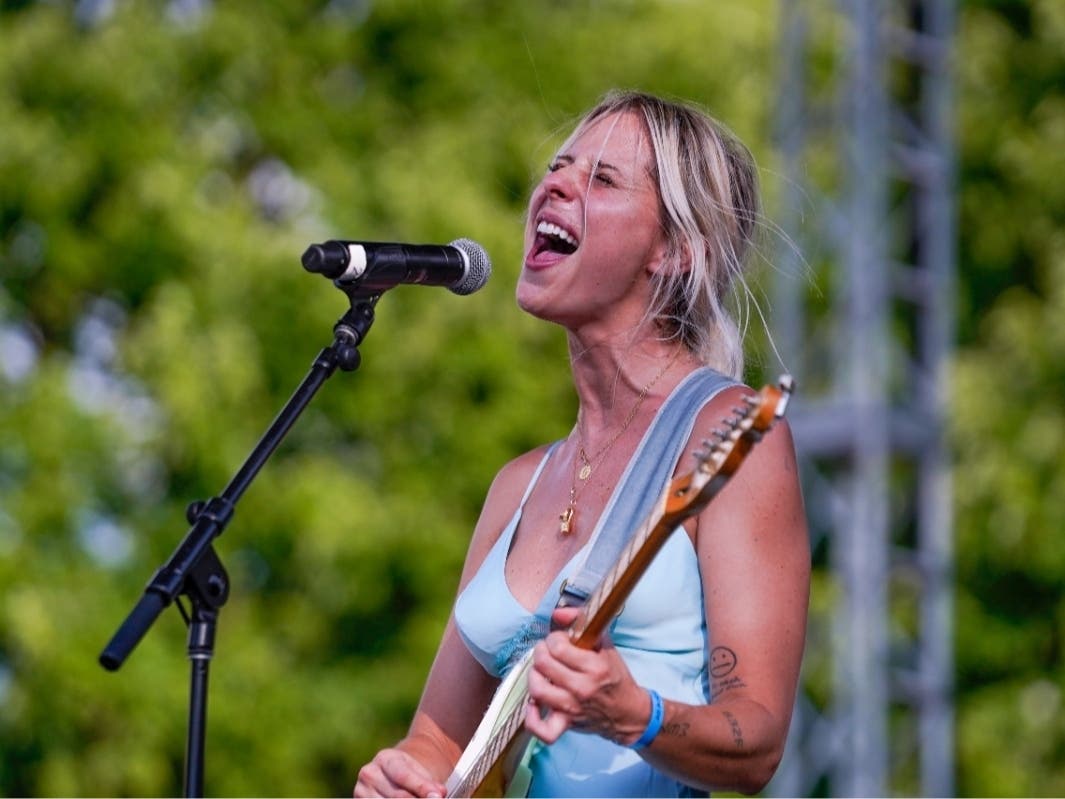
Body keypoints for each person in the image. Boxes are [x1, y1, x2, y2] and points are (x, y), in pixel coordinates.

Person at [354, 90, 809, 798]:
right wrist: (404, 776)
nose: (555, 186)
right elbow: (439, 739)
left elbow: (757, 742)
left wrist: (635, 715)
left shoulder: (729, 435)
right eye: (557, 169)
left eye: (601, 179)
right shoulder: (518, 483)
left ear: (676, 252)